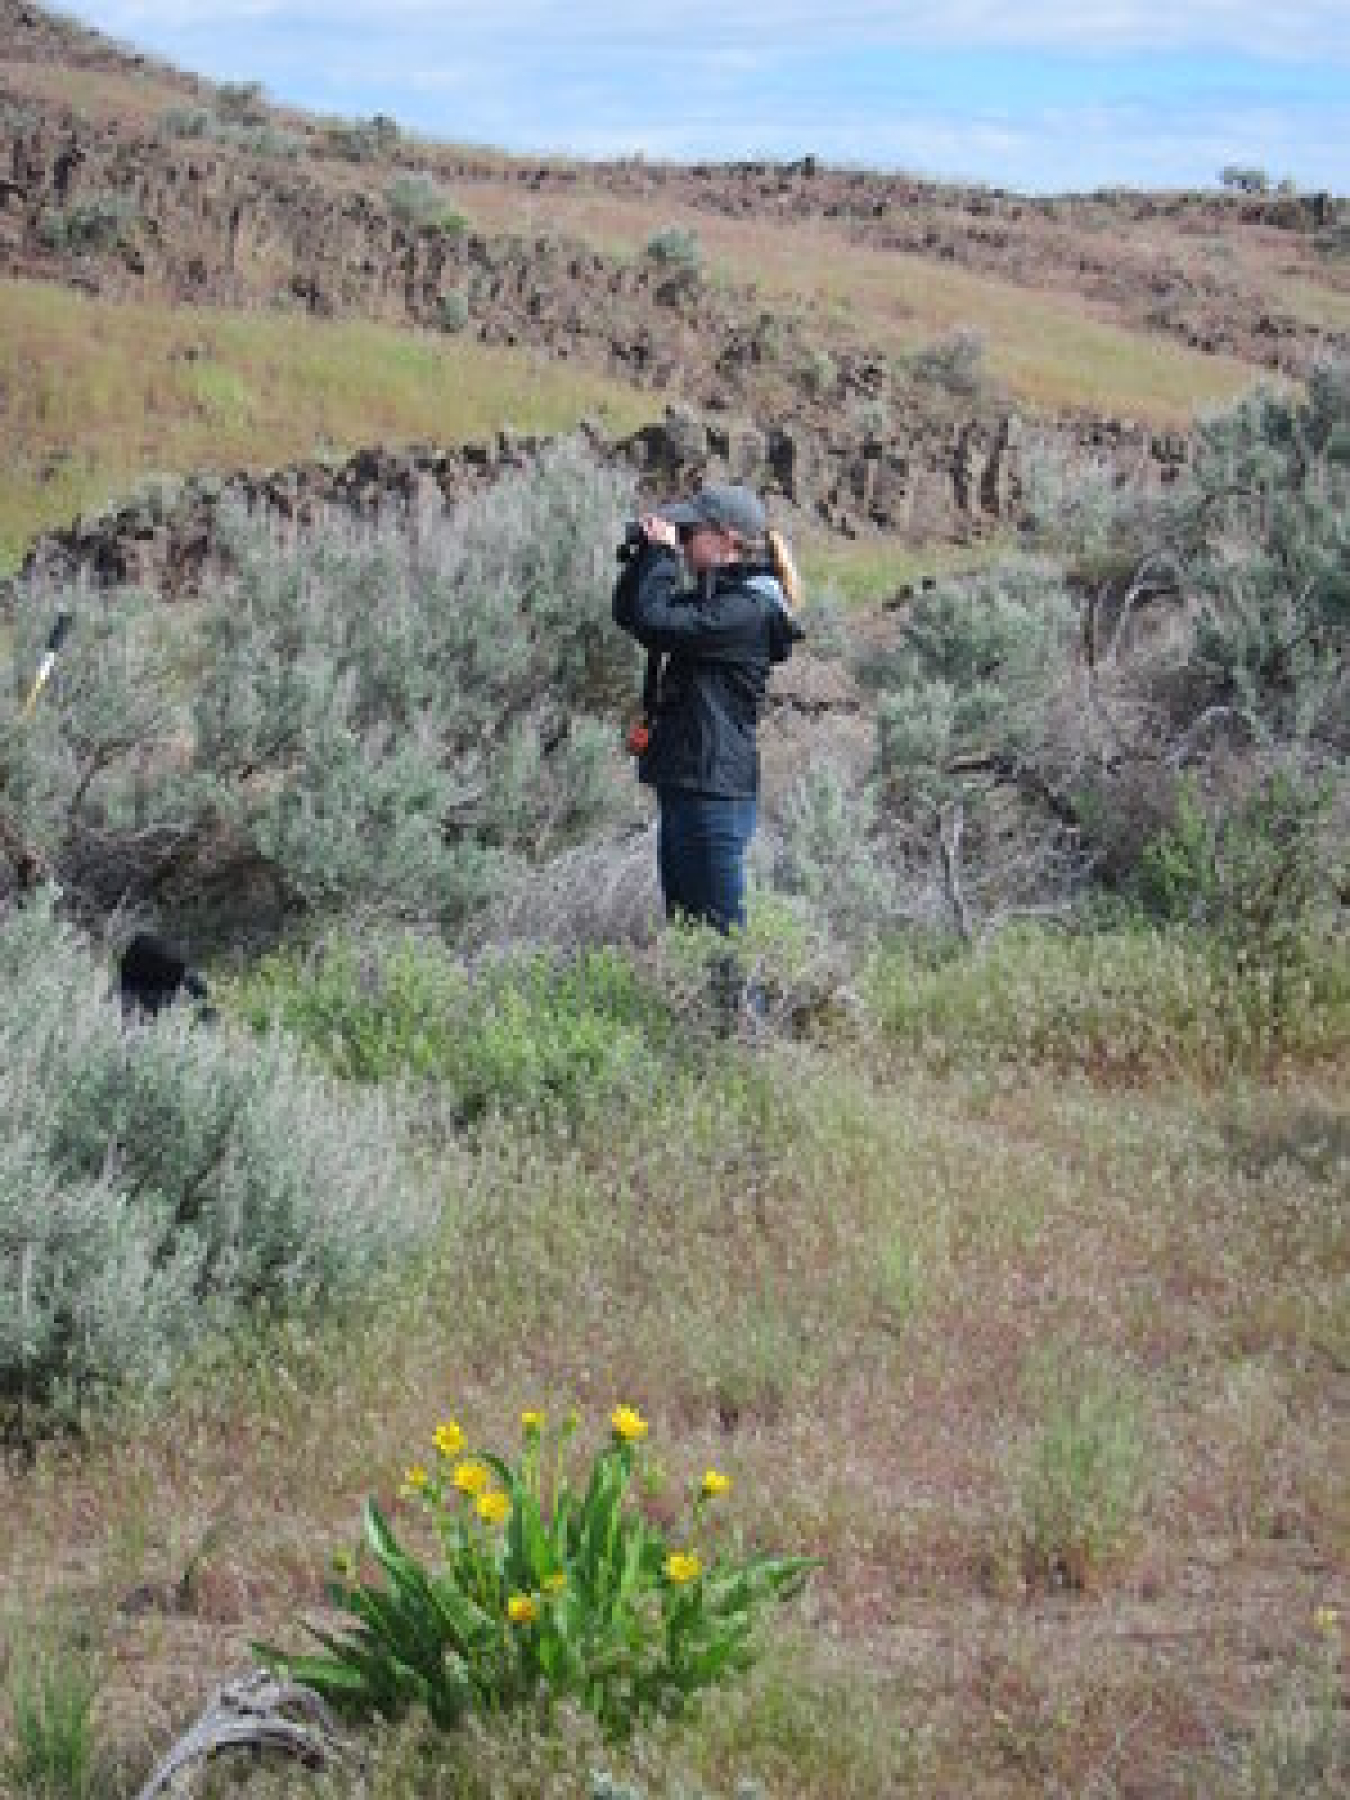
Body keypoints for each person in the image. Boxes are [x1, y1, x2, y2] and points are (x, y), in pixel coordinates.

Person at [612, 481, 803, 936]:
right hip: (688, 785)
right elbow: (632, 615)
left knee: (724, 943)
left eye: (691, 531)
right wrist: (645, 557)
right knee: (689, 939)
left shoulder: (746, 612)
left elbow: (656, 624)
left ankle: (750, 1011)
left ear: (727, 538)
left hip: (714, 792)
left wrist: (661, 557)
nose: (683, 539)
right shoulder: (717, 602)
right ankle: (707, 1010)